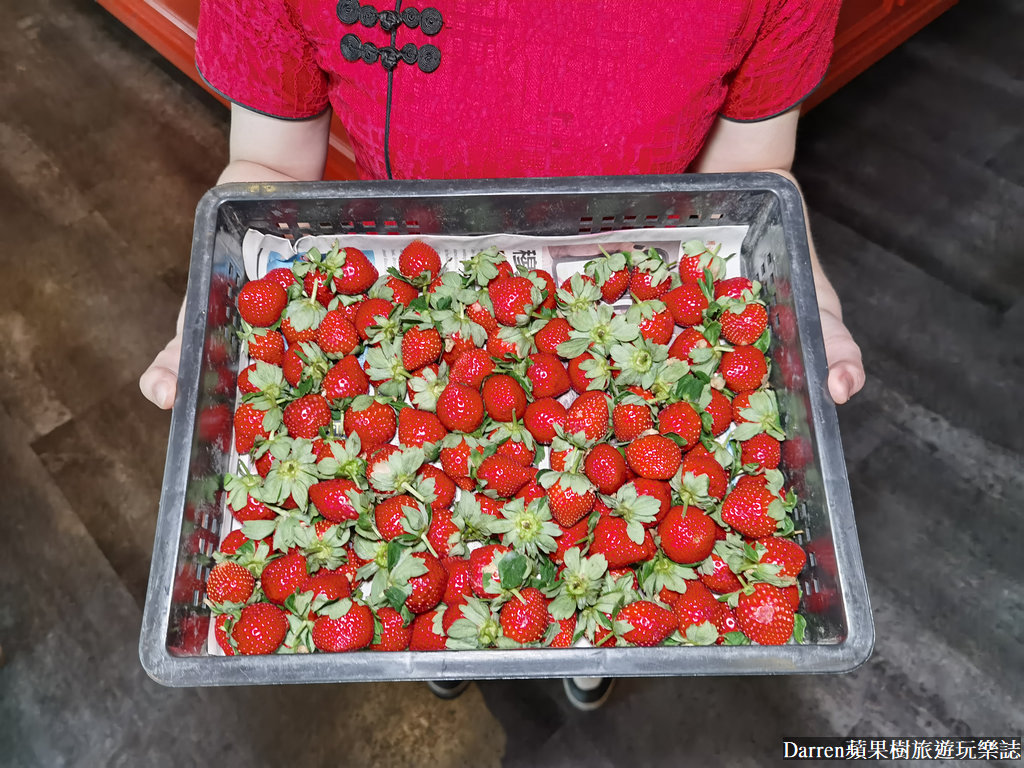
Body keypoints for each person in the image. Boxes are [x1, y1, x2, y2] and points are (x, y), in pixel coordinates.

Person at [139, 0, 865, 710]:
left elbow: (749, 181)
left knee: (582, 607)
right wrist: (211, 297)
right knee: (435, 605)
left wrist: (807, 298)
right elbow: (268, 164)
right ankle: (445, 653)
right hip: (430, 287)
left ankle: (583, 655)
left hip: (617, 298)